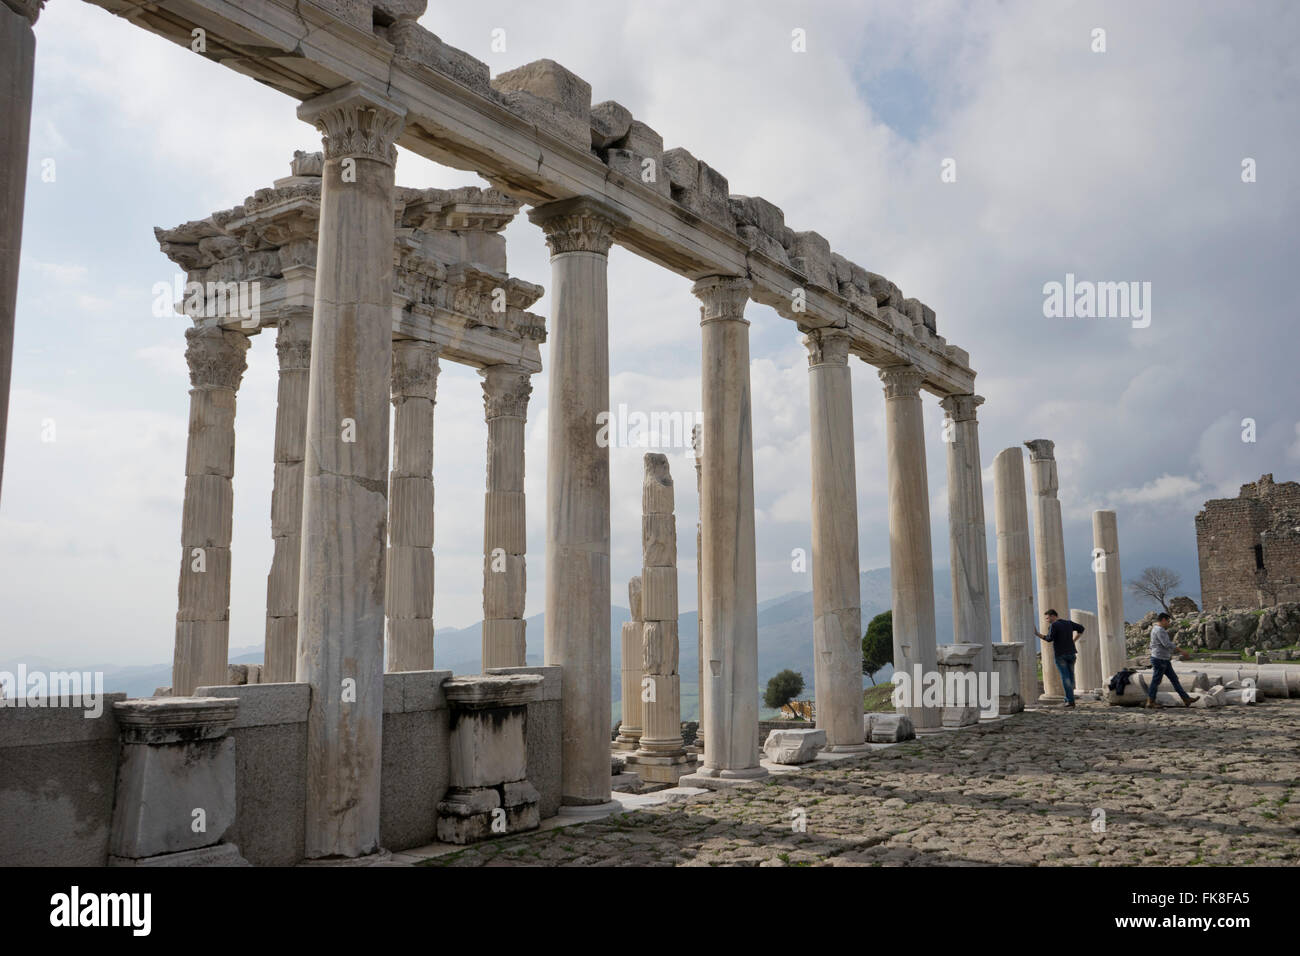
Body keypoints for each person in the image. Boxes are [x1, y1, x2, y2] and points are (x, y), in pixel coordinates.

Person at [1034, 609, 1085, 708]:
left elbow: (1049, 639)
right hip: (1071, 654)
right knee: (1070, 678)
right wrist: (1073, 640)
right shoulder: (1068, 623)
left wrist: (1037, 634)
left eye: (1048, 618)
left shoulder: (1054, 625)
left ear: (1053, 616)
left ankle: (1070, 701)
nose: (1047, 620)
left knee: (1065, 678)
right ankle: (1069, 699)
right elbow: (1081, 629)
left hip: (1061, 655)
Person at [1146, 612, 1193, 708]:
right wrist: (1181, 651)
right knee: (1156, 681)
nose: (1169, 623)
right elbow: (1167, 644)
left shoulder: (1156, 629)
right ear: (1163, 620)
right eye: (1168, 621)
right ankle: (1150, 702)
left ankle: (1186, 699)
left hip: (1164, 659)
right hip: (1160, 659)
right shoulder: (1159, 630)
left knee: (1174, 679)